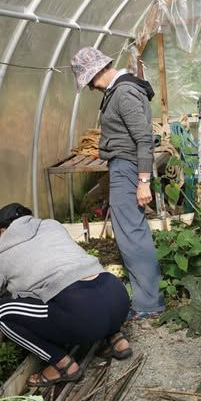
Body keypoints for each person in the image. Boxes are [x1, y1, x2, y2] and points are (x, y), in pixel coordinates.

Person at [0, 203, 133, 386]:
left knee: (2, 313)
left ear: (2, 231)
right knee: (76, 284)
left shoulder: (0, 254)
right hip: (118, 296)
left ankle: (63, 366)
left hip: (82, 316)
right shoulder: (52, 227)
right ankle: (116, 339)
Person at [70, 46, 165, 321]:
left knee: (133, 236)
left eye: (88, 81)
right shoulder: (119, 90)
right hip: (123, 166)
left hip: (128, 168)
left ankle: (149, 303)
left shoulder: (123, 93)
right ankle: (147, 297)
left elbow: (144, 139)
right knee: (130, 234)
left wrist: (143, 180)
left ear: (96, 71)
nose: (89, 87)